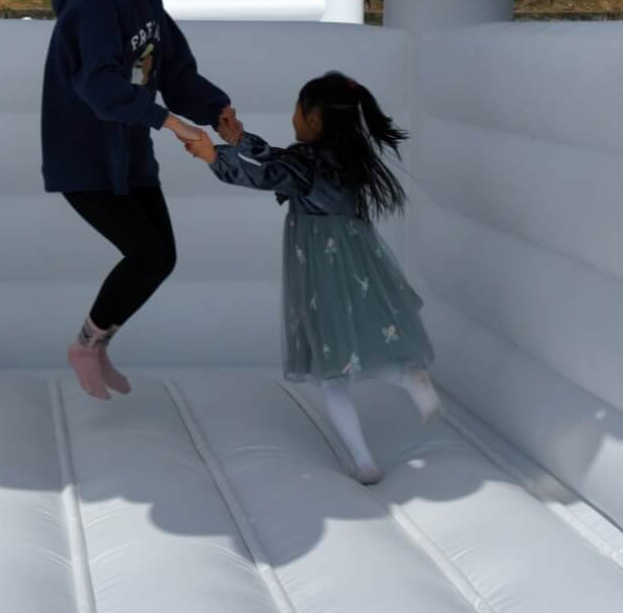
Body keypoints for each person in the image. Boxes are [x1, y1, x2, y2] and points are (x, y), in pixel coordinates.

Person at [182, 70, 439, 484]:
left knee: (330, 368)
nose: (293, 119)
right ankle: (409, 377)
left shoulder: (306, 162)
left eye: (297, 111)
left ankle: (364, 461)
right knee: (357, 340)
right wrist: (238, 140)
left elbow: (268, 175)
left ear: (314, 120)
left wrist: (215, 157)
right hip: (355, 255)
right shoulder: (345, 157)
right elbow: (282, 161)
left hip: (319, 263)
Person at [42, 0, 241, 401]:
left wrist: (215, 110)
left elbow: (173, 68)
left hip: (129, 154)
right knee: (147, 254)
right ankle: (85, 346)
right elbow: (100, 87)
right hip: (84, 158)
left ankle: (97, 342)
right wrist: (170, 123)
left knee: (160, 257)